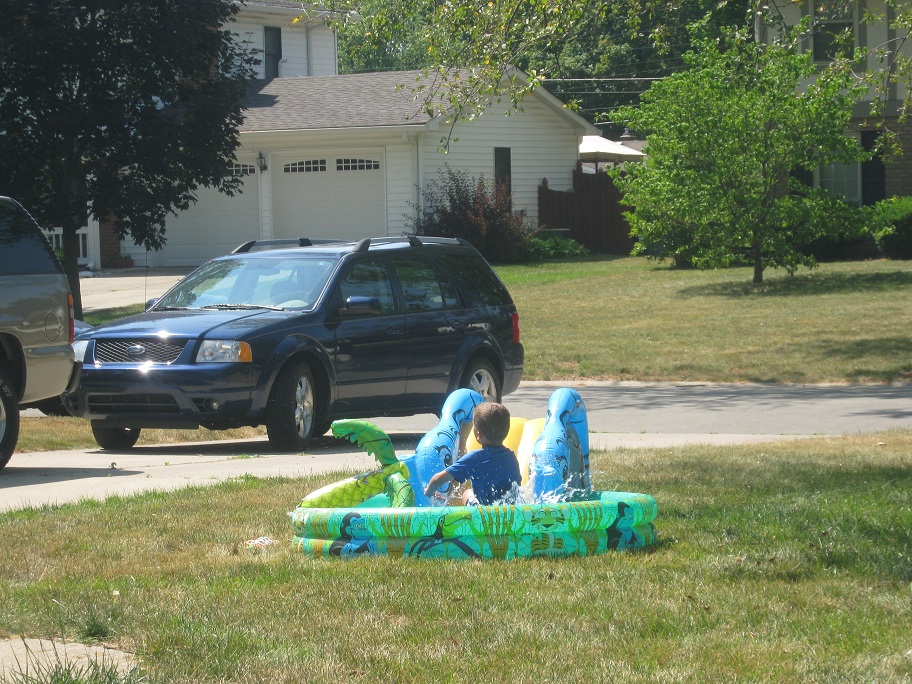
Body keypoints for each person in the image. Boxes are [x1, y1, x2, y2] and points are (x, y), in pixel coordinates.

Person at [424, 402, 521, 505]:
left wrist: (429, 493)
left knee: (467, 493)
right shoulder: (511, 457)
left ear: (479, 435)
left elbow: (437, 480)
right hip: (510, 511)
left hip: (483, 512)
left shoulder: (475, 458)